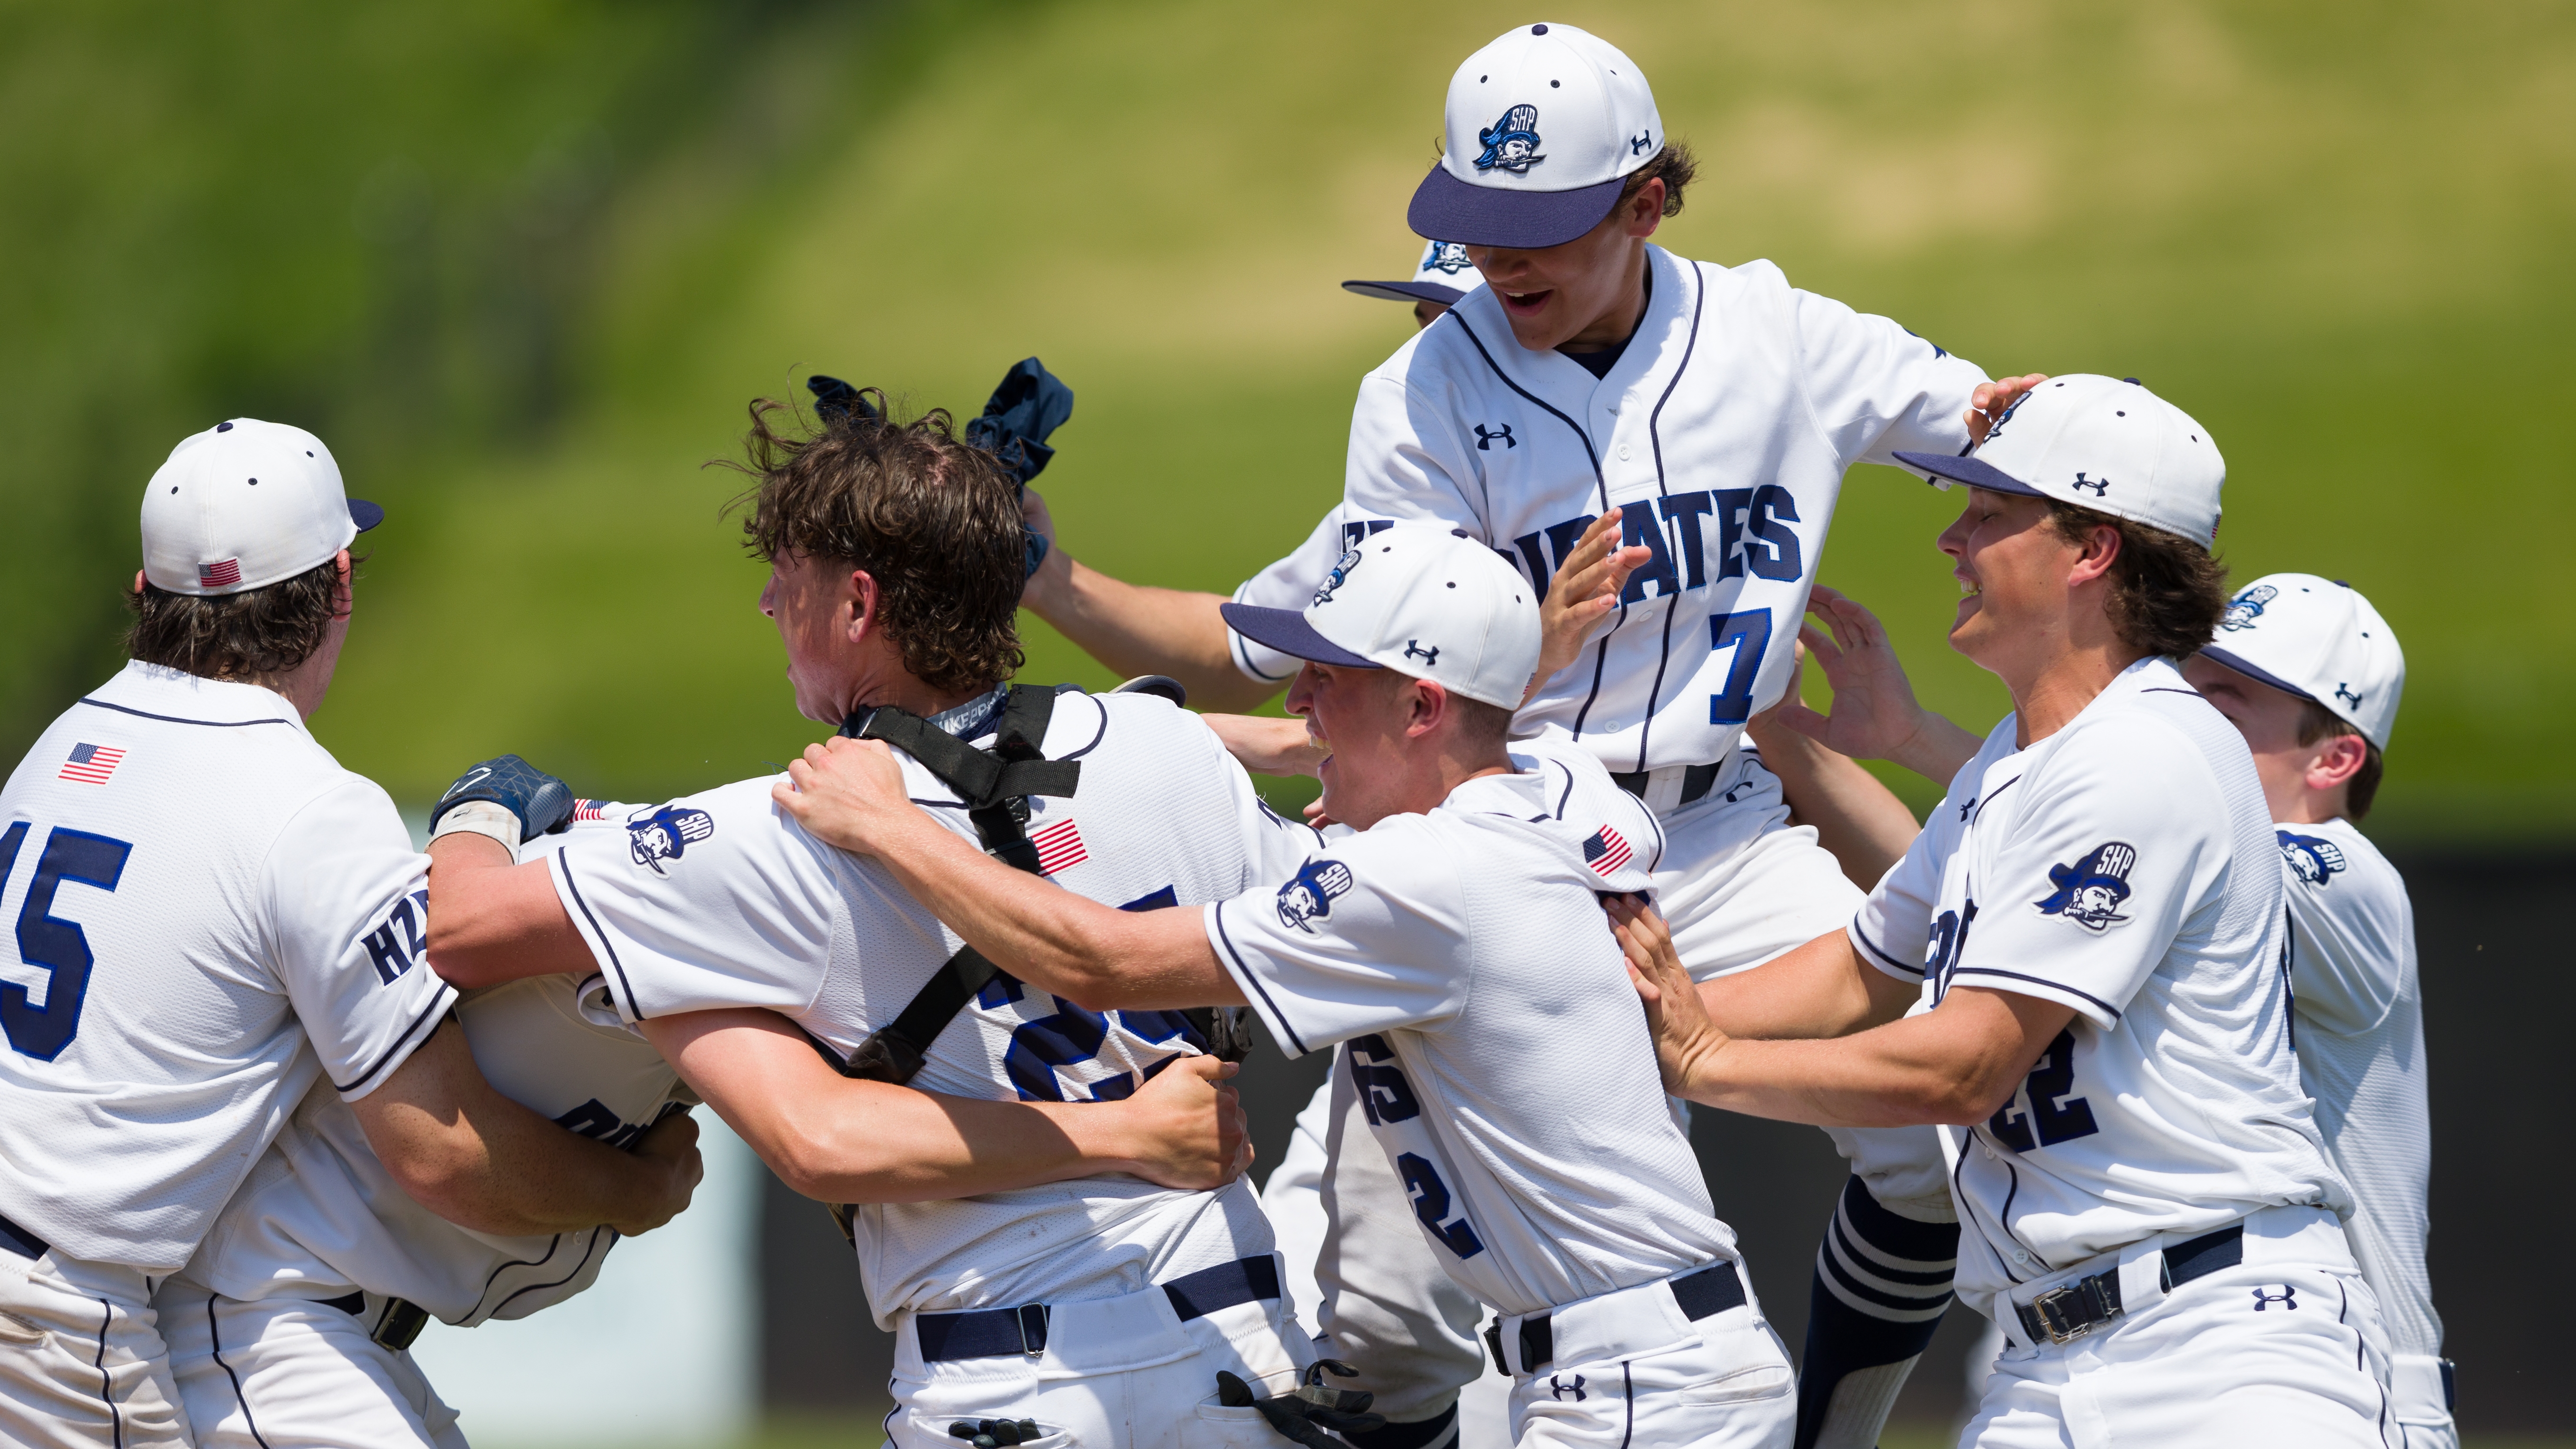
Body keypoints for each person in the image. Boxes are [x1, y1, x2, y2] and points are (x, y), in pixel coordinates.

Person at [1020, 23, 2049, 1444]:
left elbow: (2012, 430)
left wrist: (2065, 437)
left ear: (1645, 201)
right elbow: (1320, 644)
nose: (1503, 265)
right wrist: (1044, 579)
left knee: (1932, 1157)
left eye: (1540, 231)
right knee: (1383, 1322)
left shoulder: (1781, 339)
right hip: (1509, 846)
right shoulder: (1424, 395)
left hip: (1724, 829)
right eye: (1477, 227)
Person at [416, 394, 1329, 1449]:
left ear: (857, 603)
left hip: (1004, 1386)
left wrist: (482, 803)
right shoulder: (1176, 751)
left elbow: (464, 924)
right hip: (1248, 1360)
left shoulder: (775, 831)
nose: (766, 603)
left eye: (787, 578)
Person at [781, 522, 1802, 1449]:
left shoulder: (1419, 878)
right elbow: (1536, 769)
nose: (1297, 699)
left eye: (1329, 676)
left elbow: (1096, 959)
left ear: (1421, 704)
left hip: (1640, 1390)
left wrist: (889, 821)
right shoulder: (1555, 781)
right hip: (1661, 1366)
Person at [1614, 375, 2396, 1444]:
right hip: (2047, 1361)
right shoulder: (2015, 759)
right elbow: (1861, 969)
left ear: (2091, 550)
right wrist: (1636, 1017)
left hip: (2222, 1357)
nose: (1950, 537)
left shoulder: (2143, 751)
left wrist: (1703, 1059)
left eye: (1988, 513)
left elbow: (1962, 1064)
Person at [0, 420, 699, 1448]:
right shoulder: (308, 808)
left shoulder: (60, 746)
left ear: (145, 594)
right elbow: (443, 1154)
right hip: (51, 1317)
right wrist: (636, 1190)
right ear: (339, 586)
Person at [1778, 571, 2453, 1446]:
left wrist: (1938, 749)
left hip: (2313, 1367)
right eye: (2191, 679)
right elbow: (1970, 900)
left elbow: (2121, 826)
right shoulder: (2146, 841)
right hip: (2083, 1353)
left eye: (2231, 699)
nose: (2188, 709)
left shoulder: (2349, 882)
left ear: (2333, 758)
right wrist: (1823, 739)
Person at [154, 802, 700, 1449]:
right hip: (264, 1315)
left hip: (329, 1332)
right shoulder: (584, 905)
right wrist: (644, 1190)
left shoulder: (664, 938)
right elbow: (447, 1156)